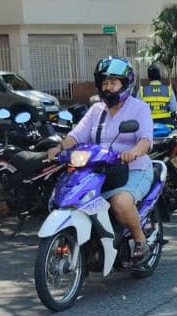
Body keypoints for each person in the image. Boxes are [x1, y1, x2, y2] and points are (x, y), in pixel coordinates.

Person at [51, 57, 159, 273]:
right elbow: (77, 134)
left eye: (113, 82)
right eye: (105, 82)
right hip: (97, 169)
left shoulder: (139, 108)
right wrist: (60, 147)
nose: (108, 87)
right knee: (72, 197)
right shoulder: (96, 110)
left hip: (132, 169)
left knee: (120, 203)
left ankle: (140, 242)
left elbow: (146, 140)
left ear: (125, 84)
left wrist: (133, 152)